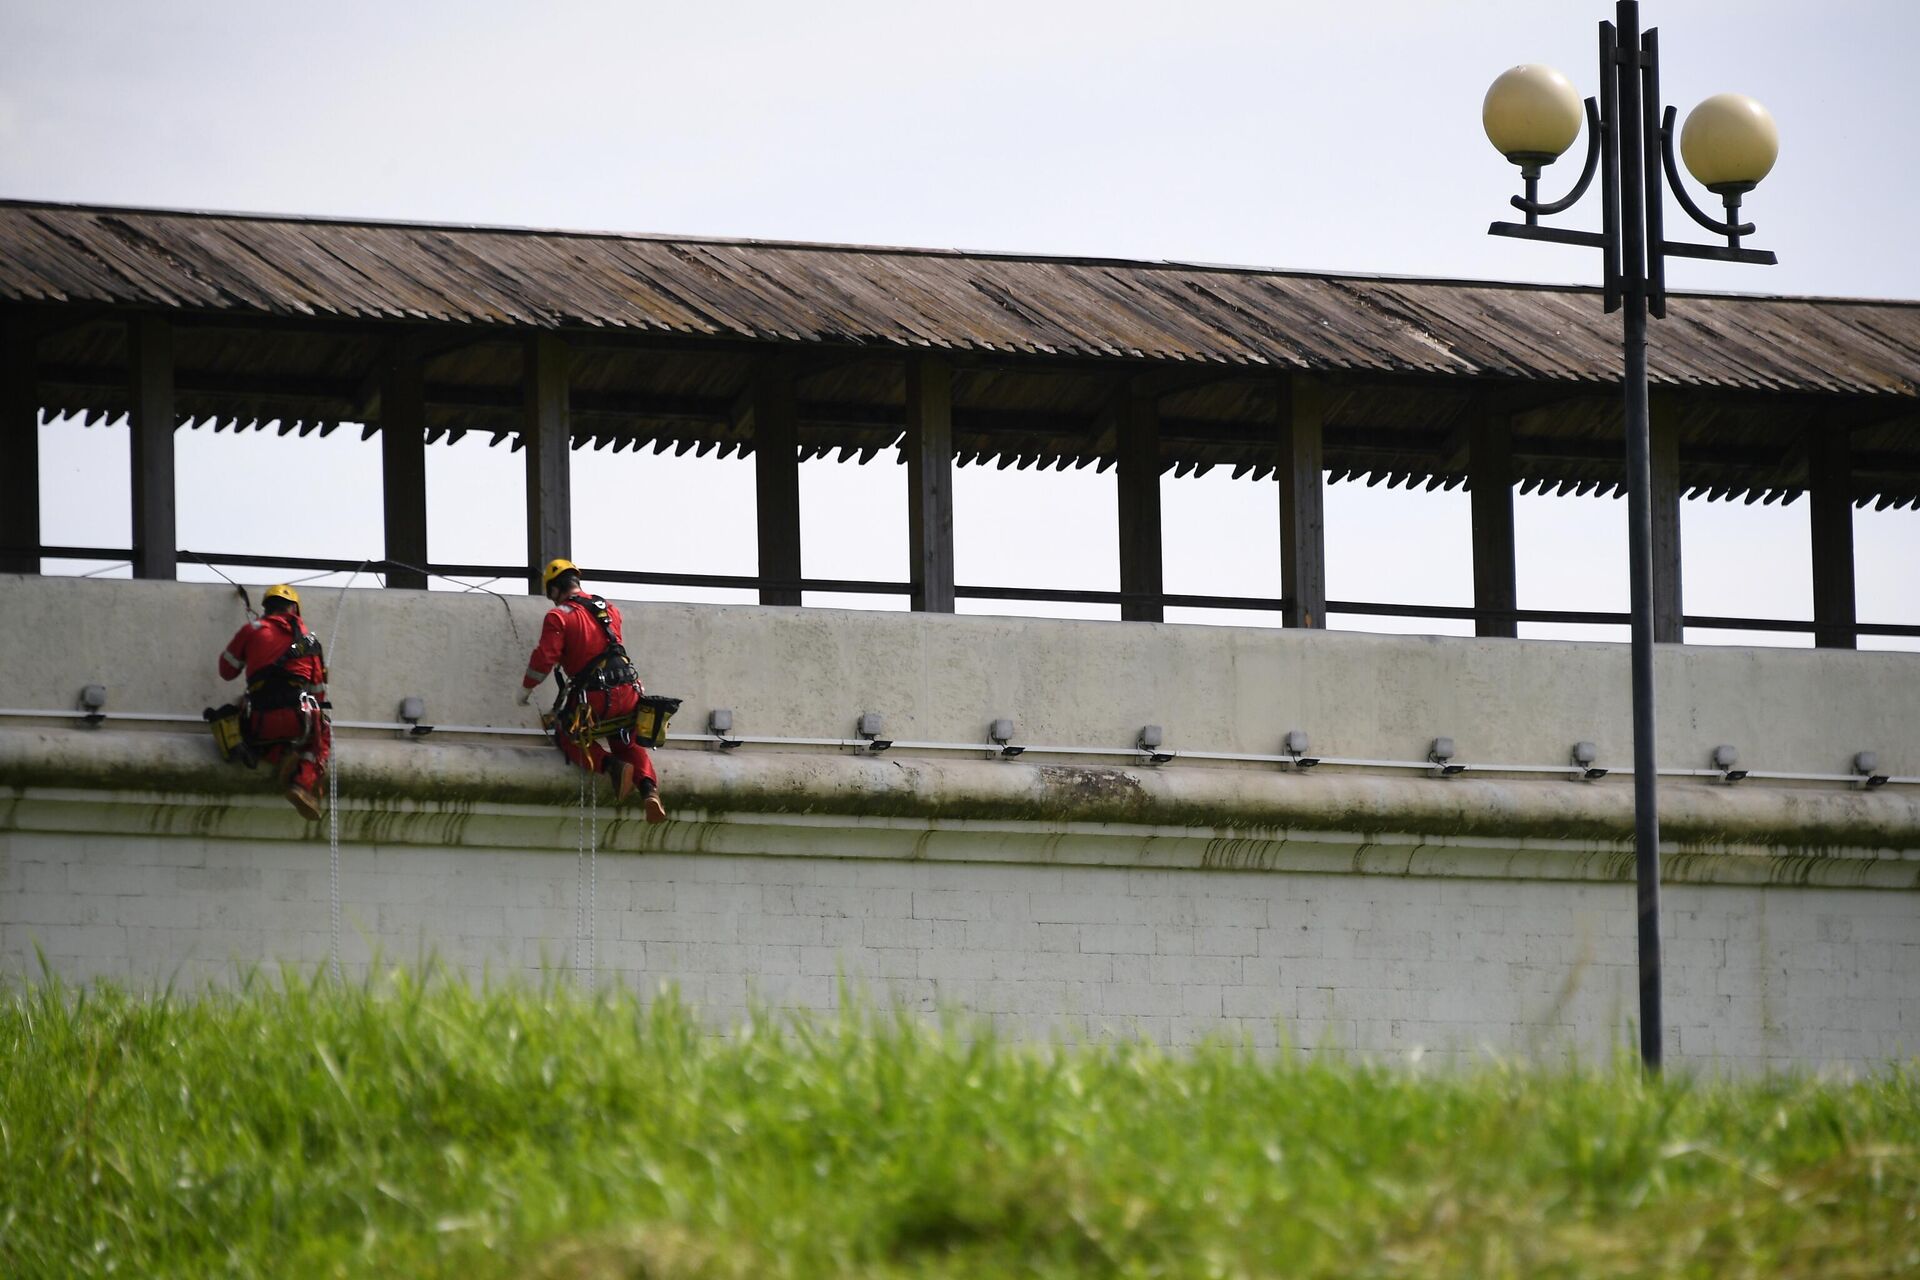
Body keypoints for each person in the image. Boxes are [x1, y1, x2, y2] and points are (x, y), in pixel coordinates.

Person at [519, 558, 668, 823]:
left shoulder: (558, 616)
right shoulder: (608, 608)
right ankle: (649, 791)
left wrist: (526, 689)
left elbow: (545, 658)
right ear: (577, 581)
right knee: (627, 741)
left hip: (596, 698)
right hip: (630, 691)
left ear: (554, 590)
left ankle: (612, 767)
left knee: (567, 735)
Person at [216, 583, 331, 820]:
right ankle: (301, 783)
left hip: (257, 720)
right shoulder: (309, 642)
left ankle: (277, 756)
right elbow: (318, 693)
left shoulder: (252, 629)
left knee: (229, 717)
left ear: (267, 608)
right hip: (297, 720)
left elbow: (226, 671)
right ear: (295, 610)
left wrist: (253, 644)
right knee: (323, 732)